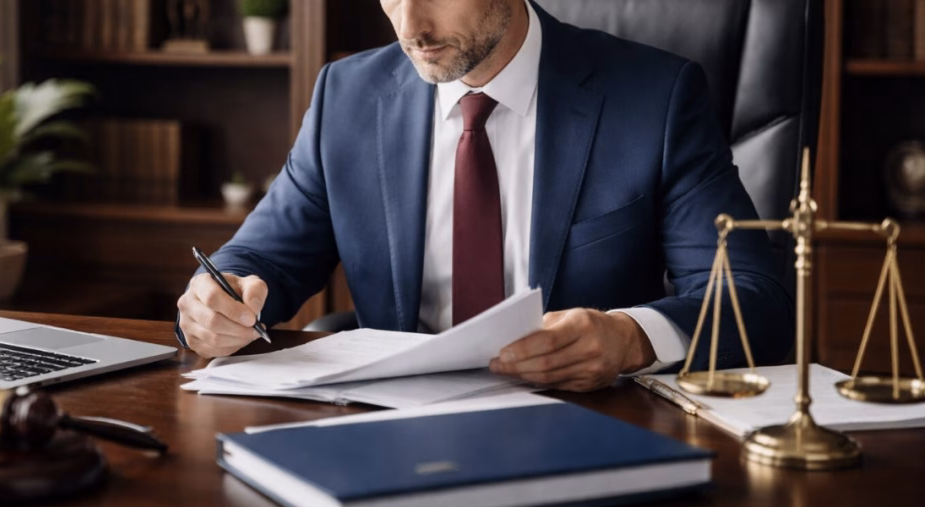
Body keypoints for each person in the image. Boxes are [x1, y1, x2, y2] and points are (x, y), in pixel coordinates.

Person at [175, 0, 794, 392]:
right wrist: (219, 301)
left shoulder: (654, 96)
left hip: (584, 427)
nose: (409, 26)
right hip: (392, 432)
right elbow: (263, 260)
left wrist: (631, 337)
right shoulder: (349, 95)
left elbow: (754, 299)